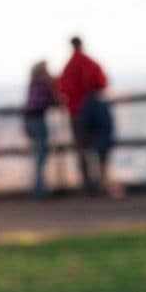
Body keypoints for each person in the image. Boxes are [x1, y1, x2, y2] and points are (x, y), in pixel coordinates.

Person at [59, 36, 124, 198]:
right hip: (95, 111)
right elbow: (103, 82)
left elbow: (63, 89)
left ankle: (88, 185)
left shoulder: (69, 67)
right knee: (101, 146)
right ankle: (102, 181)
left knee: (82, 149)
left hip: (77, 113)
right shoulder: (91, 63)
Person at [23, 61, 59, 198]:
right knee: (41, 155)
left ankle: (39, 188)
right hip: (37, 119)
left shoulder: (33, 83)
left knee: (39, 154)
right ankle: (40, 189)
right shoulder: (41, 84)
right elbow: (48, 100)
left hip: (29, 120)